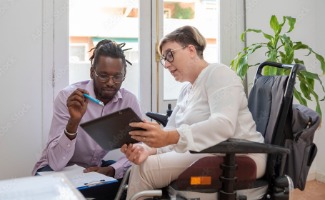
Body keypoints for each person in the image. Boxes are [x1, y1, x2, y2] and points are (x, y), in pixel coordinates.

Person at [121, 25, 267, 199]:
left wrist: (169, 138)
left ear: (191, 50)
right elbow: (171, 130)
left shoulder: (219, 74)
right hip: (205, 151)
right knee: (141, 163)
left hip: (239, 155)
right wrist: (147, 149)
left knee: (145, 170)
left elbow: (223, 125)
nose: (166, 64)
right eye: (163, 59)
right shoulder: (186, 90)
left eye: (169, 55)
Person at [32, 40, 142, 193]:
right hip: (54, 167)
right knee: (57, 192)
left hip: (91, 170)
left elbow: (139, 148)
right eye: (103, 76)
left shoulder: (128, 101)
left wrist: (111, 169)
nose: (111, 83)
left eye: (117, 76)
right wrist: (74, 121)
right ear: (92, 73)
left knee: (128, 177)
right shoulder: (69, 97)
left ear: (124, 75)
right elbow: (56, 162)